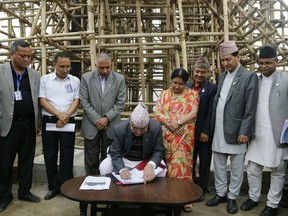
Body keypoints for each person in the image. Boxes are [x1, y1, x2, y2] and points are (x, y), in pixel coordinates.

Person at [206, 40, 259, 214]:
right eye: (223, 60)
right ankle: (221, 193)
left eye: (228, 59)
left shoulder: (249, 76)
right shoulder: (221, 76)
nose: (225, 63)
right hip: (220, 128)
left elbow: (250, 107)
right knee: (219, 163)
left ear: (238, 57)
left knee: (236, 167)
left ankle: (232, 197)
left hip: (237, 130)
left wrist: (245, 131)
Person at [240, 45, 288, 216]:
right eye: (261, 63)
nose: (264, 66)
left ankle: (272, 205)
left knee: (277, 170)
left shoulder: (285, 79)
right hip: (256, 133)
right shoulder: (255, 80)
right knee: (252, 168)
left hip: (277, 134)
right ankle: (253, 198)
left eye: (268, 62)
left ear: (276, 61)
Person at [0, 40, 41, 212]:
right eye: (22, 55)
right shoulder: (1, 72)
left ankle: (25, 191)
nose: (26, 59)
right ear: (12, 54)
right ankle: (4, 196)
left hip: (28, 125)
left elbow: (38, 99)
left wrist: (37, 121)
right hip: (8, 124)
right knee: (4, 162)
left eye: (28, 56)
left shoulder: (34, 75)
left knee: (26, 160)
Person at [154, 68, 199, 212]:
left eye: (181, 84)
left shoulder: (193, 94)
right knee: (165, 166)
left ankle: (185, 197)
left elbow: (193, 113)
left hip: (183, 138)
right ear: (170, 80)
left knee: (182, 167)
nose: (177, 86)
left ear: (186, 83)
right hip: (165, 137)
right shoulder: (163, 94)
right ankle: (166, 195)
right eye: (175, 83)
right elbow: (157, 113)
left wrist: (178, 122)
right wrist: (169, 124)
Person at [39, 52, 80, 200]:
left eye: (68, 66)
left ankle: (66, 186)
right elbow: (42, 100)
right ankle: (53, 187)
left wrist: (65, 116)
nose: (65, 69)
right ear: (54, 65)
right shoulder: (45, 79)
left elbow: (76, 100)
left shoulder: (75, 80)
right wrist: (59, 115)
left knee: (67, 153)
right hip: (50, 119)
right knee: (50, 154)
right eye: (61, 66)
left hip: (68, 120)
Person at [80, 52, 126, 176]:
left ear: (111, 65)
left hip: (111, 125)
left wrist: (106, 118)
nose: (105, 70)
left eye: (108, 67)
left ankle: (108, 185)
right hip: (91, 125)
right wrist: (98, 120)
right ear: (95, 65)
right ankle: (91, 184)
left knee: (109, 158)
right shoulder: (86, 78)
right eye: (101, 68)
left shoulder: (119, 79)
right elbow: (84, 102)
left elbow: (120, 103)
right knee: (91, 158)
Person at [100, 102, 166, 183]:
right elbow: (115, 153)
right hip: (124, 158)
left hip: (145, 160)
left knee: (163, 171)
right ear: (130, 122)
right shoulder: (119, 129)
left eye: (143, 129)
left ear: (148, 124)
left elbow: (159, 150)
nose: (138, 132)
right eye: (135, 128)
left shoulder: (155, 127)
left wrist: (151, 165)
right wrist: (121, 169)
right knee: (104, 167)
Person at [187, 57, 217, 201]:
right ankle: (192, 186)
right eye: (197, 71)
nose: (199, 75)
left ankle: (203, 188)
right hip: (188, 132)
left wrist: (206, 131)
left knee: (204, 161)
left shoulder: (211, 88)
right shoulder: (187, 86)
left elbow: (211, 111)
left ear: (208, 73)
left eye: (203, 72)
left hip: (203, 133)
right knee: (190, 161)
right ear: (193, 71)